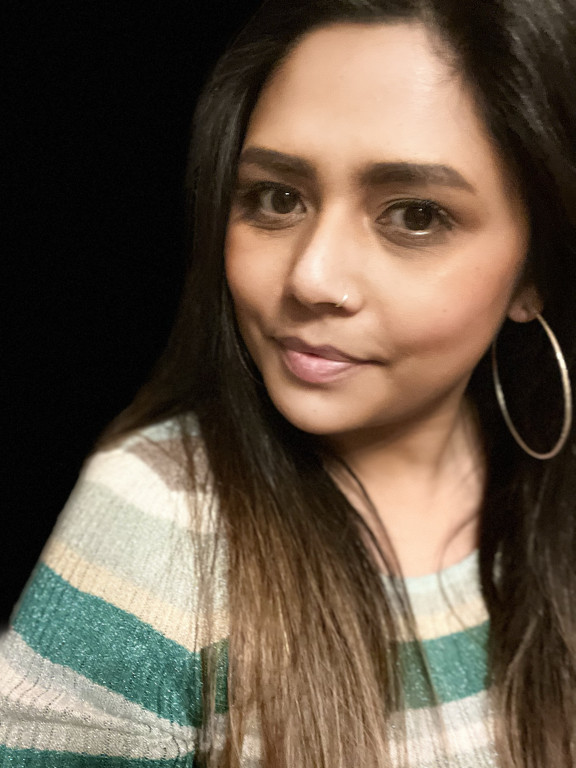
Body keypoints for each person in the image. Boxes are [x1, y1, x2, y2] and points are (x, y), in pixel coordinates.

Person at [2, 0, 576, 765]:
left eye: (413, 215)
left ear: (536, 272)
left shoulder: (548, 505)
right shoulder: (159, 524)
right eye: (277, 198)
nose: (312, 277)